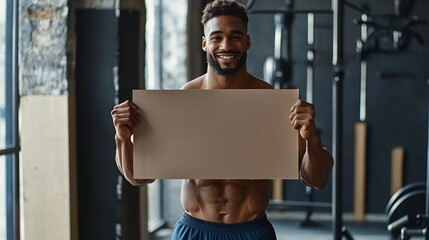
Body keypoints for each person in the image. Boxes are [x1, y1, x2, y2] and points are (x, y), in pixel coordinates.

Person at [111, 0, 333, 239]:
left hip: (250, 230)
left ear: (247, 41)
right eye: (216, 37)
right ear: (205, 43)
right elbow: (139, 177)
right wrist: (122, 138)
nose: (226, 45)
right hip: (195, 230)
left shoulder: (270, 101)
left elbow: (317, 180)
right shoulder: (186, 98)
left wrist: (311, 138)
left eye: (235, 36)